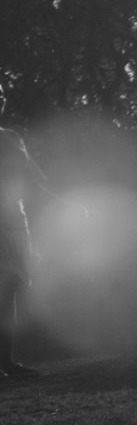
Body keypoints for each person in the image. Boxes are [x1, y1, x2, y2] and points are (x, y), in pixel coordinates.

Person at [0, 85, 51, 379]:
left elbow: (32, 178)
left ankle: (6, 361)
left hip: (14, 219)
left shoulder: (12, 137)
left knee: (11, 290)